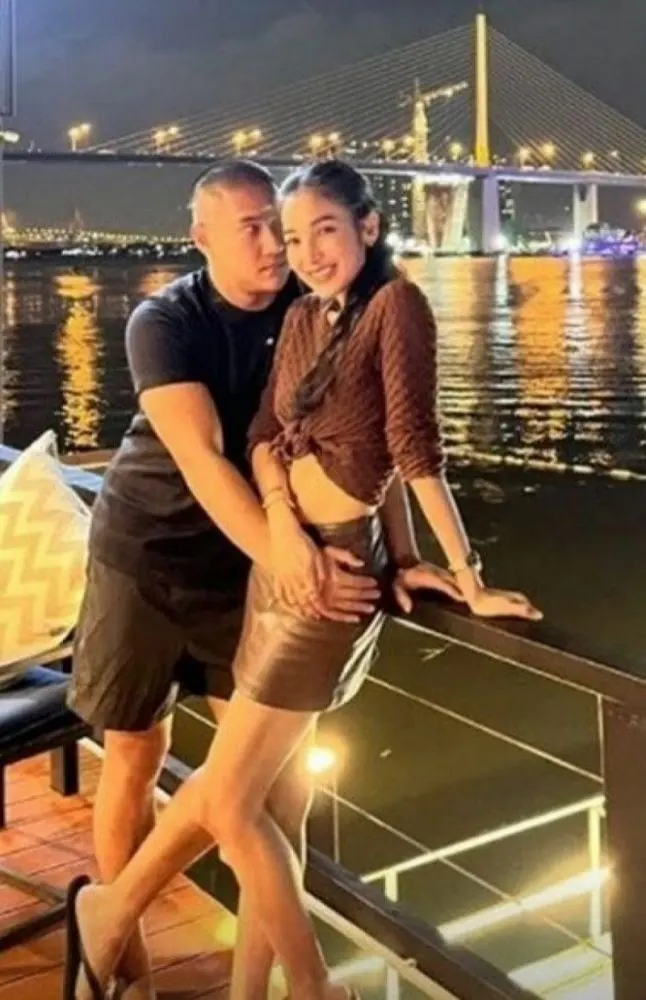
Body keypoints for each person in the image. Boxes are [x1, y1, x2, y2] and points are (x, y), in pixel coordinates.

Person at [66, 159, 463, 1000]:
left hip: (243, 571)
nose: (276, 246)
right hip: (147, 557)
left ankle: (256, 984)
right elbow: (206, 459)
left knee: (272, 794)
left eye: (279, 227)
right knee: (135, 753)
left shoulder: (314, 308)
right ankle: (125, 972)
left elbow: (373, 445)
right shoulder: (164, 321)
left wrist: (398, 553)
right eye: (252, 228)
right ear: (201, 237)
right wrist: (291, 559)